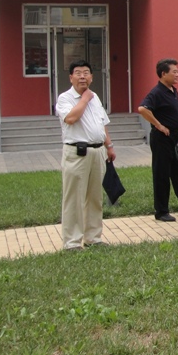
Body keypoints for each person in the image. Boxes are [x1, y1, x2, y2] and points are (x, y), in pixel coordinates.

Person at [56, 60, 115, 250]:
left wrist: (109, 146)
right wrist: (84, 99)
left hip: (98, 152)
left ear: (92, 77)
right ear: (71, 77)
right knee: (74, 198)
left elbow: (102, 123)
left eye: (86, 72)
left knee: (95, 198)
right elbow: (71, 118)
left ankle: (93, 238)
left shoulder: (95, 97)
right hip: (77, 153)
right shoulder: (65, 98)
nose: (82, 76)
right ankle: (72, 242)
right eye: (78, 73)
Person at [138, 58, 178, 222]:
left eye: (177, 72)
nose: (177, 75)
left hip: (175, 137)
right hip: (162, 138)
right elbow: (143, 109)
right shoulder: (157, 92)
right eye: (174, 72)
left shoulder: (172, 90)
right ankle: (161, 211)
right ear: (163, 74)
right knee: (162, 174)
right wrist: (159, 125)